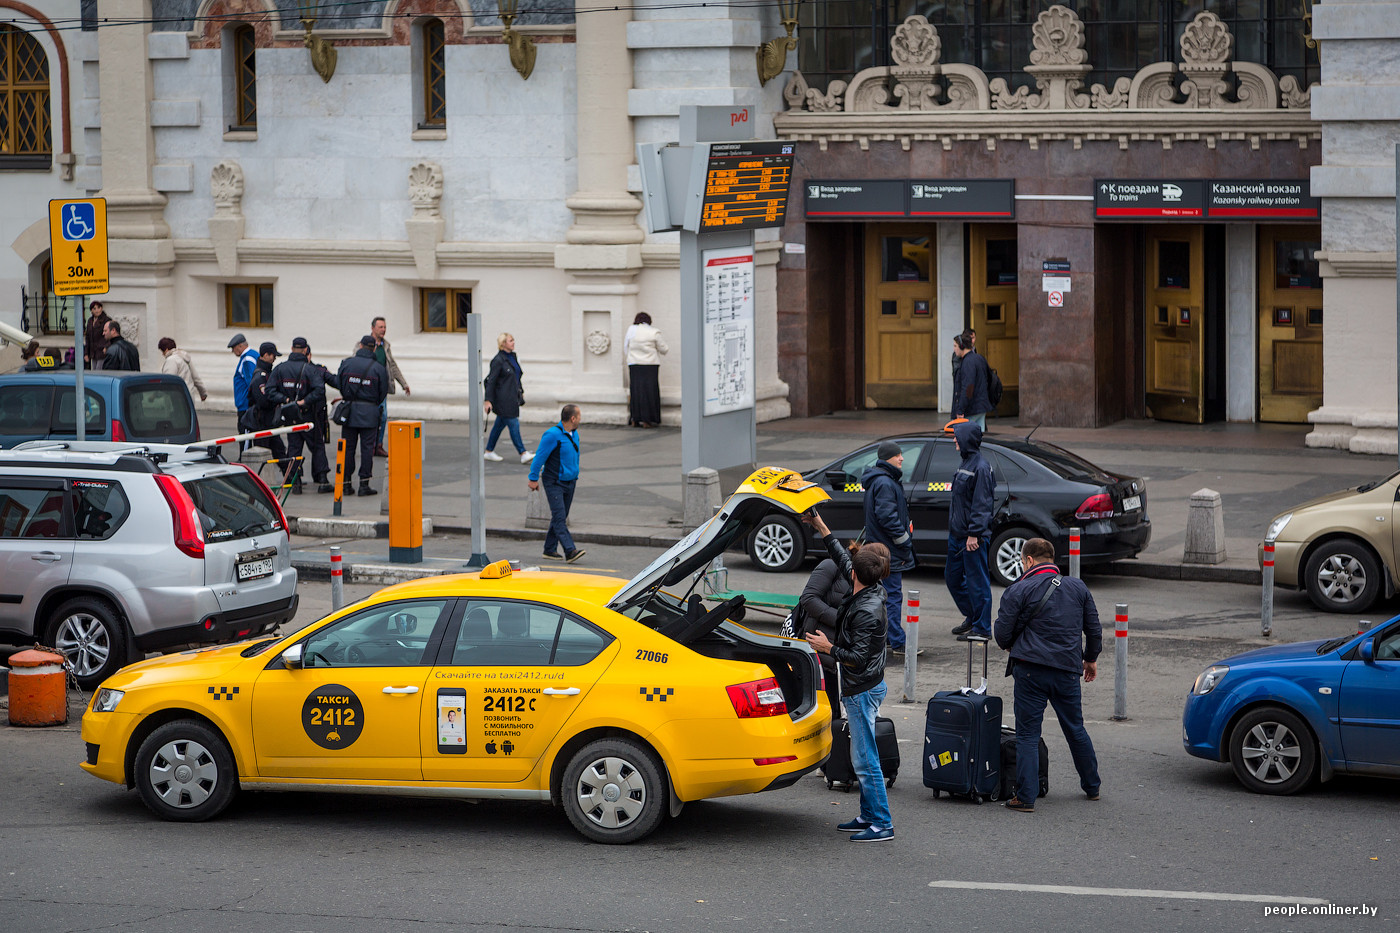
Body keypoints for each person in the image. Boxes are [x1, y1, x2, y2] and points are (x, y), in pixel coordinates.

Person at [803, 509, 894, 843]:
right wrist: (821, 525)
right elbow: (842, 556)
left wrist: (828, 647)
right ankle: (867, 815)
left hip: (862, 690)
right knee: (862, 755)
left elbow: (856, 658)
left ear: (856, 575)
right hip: (863, 686)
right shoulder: (866, 585)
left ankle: (882, 823)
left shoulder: (868, 610)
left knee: (865, 758)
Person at [993, 536, 1102, 813]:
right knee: (1075, 729)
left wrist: (1012, 645)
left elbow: (1002, 634)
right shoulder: (1077, 587)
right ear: (1051, 559)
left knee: (1028, 735)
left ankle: (1026, 797)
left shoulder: (1018, 589)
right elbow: (1094, 629)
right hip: (1067, 670)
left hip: (1030, 671)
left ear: (1028, 560)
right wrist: (1090, 659)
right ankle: (1092, 787)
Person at [797, 539, 863, 720]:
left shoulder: (867, 582)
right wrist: (843, 621)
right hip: (818, 649)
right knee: (820, 711)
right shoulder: (830, 566)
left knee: (836, 713)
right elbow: (808, 598)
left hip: (840, 656)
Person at [862, 440, 917, 656]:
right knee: (892, 596)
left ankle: (884, 638)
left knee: (881, 595)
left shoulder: (880, 480)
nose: (902, 458)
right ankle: (898, 642)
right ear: (888, 459)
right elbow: (887, 517)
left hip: (879, 547)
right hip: (888, 551)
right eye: (898, 455)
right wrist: (904, 540)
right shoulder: (885, 483)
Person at [948, 420, 995, 641]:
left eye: (957, 436)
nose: (954, 439)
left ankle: (982, 628)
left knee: (978, 583)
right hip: (957, 536)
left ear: (966, 438)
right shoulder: (966, 462)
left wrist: (974, 533)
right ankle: (973, 616)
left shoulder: (981, 467)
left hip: (971, 538)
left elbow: (982, 504)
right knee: (953, 579)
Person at [272, 337, 331, 494]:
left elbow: (270, 391)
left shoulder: (280, 369)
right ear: (306, 350)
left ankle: (295, 481)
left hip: (291, 417)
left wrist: (286, 400)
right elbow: (320, 390)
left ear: (292, 349)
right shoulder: (310, 370)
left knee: (294, 448)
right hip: (309, 415)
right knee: (317, 446)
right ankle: (323, 480)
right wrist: (304, 401)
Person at [528, 404, 584, 563]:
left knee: (560, 516)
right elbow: (539, 457)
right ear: (572, 418)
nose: (580, 419)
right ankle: (570, 550)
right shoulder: (552, 435)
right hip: (554, 482)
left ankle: (549, 549)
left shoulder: (574, 434)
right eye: (579, 416)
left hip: (570, 482)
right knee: (559, 517)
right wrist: (533, 479)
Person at [338, 335, 389, 496]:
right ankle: (363, 485)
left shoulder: (347, 364)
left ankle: (346, 484)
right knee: (367, 449)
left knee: (348, 449)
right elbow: (382, 392)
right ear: (374, 348)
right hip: (370, 413)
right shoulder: (378, 368)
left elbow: (340, 384)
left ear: (360, 346)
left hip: (350, 412)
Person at [483, 332, 533, 464]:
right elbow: (491, 381)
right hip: (503, 399)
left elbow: (517, 376)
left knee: (499, 425)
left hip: (513, 397)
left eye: (513, 340)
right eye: (511, 340)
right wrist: (488, 401)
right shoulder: (498, 360)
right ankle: (523, 453)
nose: (513, 342)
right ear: (503, 343)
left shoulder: (513, 357)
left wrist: (521, 391)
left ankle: (489, 451)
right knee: (513, 423)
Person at [366, 316, 410, 458]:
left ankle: (378, 445)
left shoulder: (386, 346)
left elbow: (392, 366)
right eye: (380, 327)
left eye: (385, 327)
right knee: (369, 417)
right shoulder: (364, 344)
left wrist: (403, 384)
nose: (383, 330)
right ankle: (369, 445)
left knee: (383, 416)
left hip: (382, 388)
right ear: (373, 328)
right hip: (368, 388)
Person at [624, 312, 668, 428]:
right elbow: (664, 349)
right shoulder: (654, 332)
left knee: (636, 391)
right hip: (650, 365)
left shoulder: (631, 330)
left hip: (634, 365)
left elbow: (626, 347)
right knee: (649, 391)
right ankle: (648, 420)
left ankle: (635, 418)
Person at [246, 341, 287, 463]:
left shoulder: (268, 373)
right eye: (273, 356)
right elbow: (263, 401)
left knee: (279, 451)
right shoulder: (260, 377)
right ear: (265, 355)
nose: (274, 359)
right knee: (262, 453)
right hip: (262, 422)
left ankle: (291, 478)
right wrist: (277, 399)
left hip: (269, 421)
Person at [952, 334, 993, 429]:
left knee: (967, 436)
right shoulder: (979, 358)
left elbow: (968, 387)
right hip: (981, 406)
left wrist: (960, 409)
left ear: (962, 346)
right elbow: (989, 378)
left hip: (971, 408)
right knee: (979, 436)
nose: (954, 349)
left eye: (955, 346)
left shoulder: (967, 362)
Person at [229, 334, 260, 447]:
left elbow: (250, 382)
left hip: (246, 405)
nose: (233, 351)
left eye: (234, 348)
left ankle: (245, 458)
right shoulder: (252, 355)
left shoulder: (247, 359)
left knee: (245, 434)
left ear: (240, 346)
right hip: (248, 404)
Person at [949, 328, 975, 400]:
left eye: (973, 338)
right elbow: (957, 374)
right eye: (970, 338)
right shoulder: (958, 354)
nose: (972, 341)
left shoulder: (975, 353)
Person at [84, 301, 110, 369]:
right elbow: (87, 337)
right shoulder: (90, 320)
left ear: (101, 308)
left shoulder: (106, 320)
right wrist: (86, 353)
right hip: (93, 352)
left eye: (98, 308)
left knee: (99, 370)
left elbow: (110, 335)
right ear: (91, 310)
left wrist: (106, 347)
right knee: (94, 370)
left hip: (102, 351)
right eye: (94, 308)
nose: (97, 310)